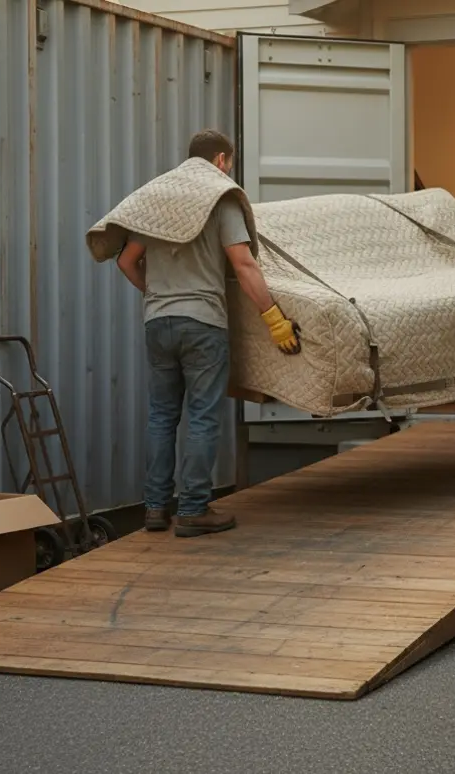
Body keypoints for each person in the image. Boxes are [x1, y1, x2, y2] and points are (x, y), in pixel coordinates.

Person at [115, 129, 301, 537]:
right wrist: (273, 317)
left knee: (162, 416)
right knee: (201, 416)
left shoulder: (157, 199)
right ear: (220, 160)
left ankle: (154, 509)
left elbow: (127, 261)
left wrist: (158, 293)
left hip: (157, 323)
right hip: (202, 323)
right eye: (229, 163)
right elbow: (243, 264)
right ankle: (194, 509)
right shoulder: (220, 197)